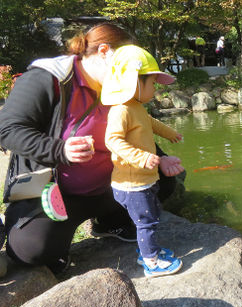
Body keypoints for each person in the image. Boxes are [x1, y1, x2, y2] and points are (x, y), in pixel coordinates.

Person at [0, 23, 184, 274]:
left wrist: (160, 159)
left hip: (112, 185)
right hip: (59, 193)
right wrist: (60, 150)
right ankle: (61, 232)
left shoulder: (119, 87)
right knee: (32, 248)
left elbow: (137, 129)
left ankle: (109, 222)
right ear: (105, 51)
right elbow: (7, 129)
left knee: (164, 181)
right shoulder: (48, 78)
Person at [101, 45, 184, 277]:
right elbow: (113, 140)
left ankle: (148, 252)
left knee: (151, 217)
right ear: (134, 82)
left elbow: (151, 124)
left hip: (143, 180)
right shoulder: (121, 111)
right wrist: (142, 157)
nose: (156, 88)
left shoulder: (135, 107)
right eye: (152, 82)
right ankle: (151, 263)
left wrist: (170, 133)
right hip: (132, 183)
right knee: (146, 223)